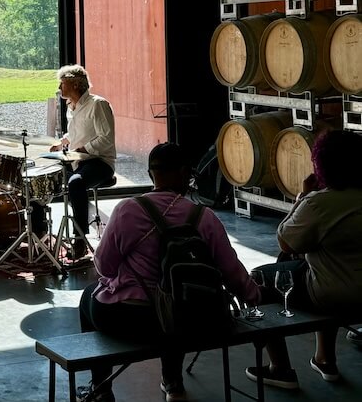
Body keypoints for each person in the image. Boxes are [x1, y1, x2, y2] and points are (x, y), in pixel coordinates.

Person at [77, 143, 260, 402]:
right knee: (176, 301)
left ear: (152, 174)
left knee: (88, 297)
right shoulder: (203, 217)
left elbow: (104, 266)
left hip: (129, 319)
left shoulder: (128, 210)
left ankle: (100, 388)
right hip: (191, 321)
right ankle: (173, 382)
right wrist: (252, 294)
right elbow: (231, 270)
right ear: (185, 173)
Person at [244, 130, 362, 389]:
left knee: (262, 277)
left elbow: (286, 242)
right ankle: (324, 359)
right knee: (316, 265)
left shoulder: (319, 203)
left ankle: (280, 369)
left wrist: (302, 198)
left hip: (332, 293)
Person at [48, 65, 116, 260]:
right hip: (78, 160)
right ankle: (39, 232)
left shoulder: (98, 104)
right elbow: (80, 132)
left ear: (76, 84)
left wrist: (82, 149)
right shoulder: (73, 107)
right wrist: (63, 142)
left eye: (63, 82)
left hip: (99, 162)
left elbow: (106, 138)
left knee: (76, 182)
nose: (59, 86)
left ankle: (79, 239)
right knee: (42, 178)